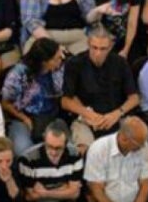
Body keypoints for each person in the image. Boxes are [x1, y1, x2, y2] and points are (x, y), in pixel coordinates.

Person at [60, 24, 140, 153]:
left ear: (110, 47)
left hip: (116, 116)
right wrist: (89, 115)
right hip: (86, 118)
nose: (98, 53)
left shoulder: (120, 63)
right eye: (94, 48)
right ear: (88, 44)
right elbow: (65, 101)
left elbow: (134, 98)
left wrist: (117, 113)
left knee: (134, 144)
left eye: (103, 49)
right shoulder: (75, 63)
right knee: (86, 150)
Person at [0, 37, 66, 156]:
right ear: (45, 62)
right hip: (24, 117)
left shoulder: (59, 69)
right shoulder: (19, 73)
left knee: (64, 148)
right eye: (56, 59)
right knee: (25, 151)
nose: (60, 60)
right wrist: (25, 119)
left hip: (52, 116)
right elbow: (5, 103)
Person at [16, 120, 84, 202]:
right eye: (49, 146)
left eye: (58, 148)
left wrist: (45, 193)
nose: (53, 152)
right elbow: (31, 196)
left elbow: (74, 194)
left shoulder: (74, 154)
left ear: (66, 143)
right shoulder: (28, 159)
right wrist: (63, 189)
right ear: (44, 140)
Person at [84, 117, 148, 202]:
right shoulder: (98, 148)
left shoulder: (144, 148)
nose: (143, 147)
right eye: (139, 144)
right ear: (124, 139)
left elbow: (145, 185)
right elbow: (96, 188)